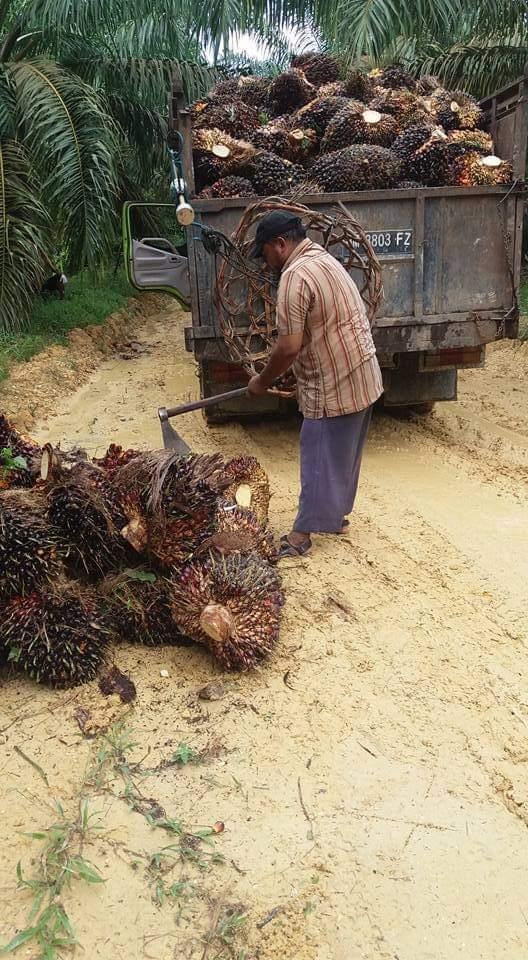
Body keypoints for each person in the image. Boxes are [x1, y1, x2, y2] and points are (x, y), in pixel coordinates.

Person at [247, 211, 383, 558]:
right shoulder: (323, 258)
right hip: (363, 370)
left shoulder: (294, 277)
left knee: (319, 449)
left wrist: (262, 381)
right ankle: (335, 517)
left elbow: (288, 346)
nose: (265, 262)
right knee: (344, 452)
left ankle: (301, 535)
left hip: (334, 380)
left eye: (264, 253)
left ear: (280, 244)